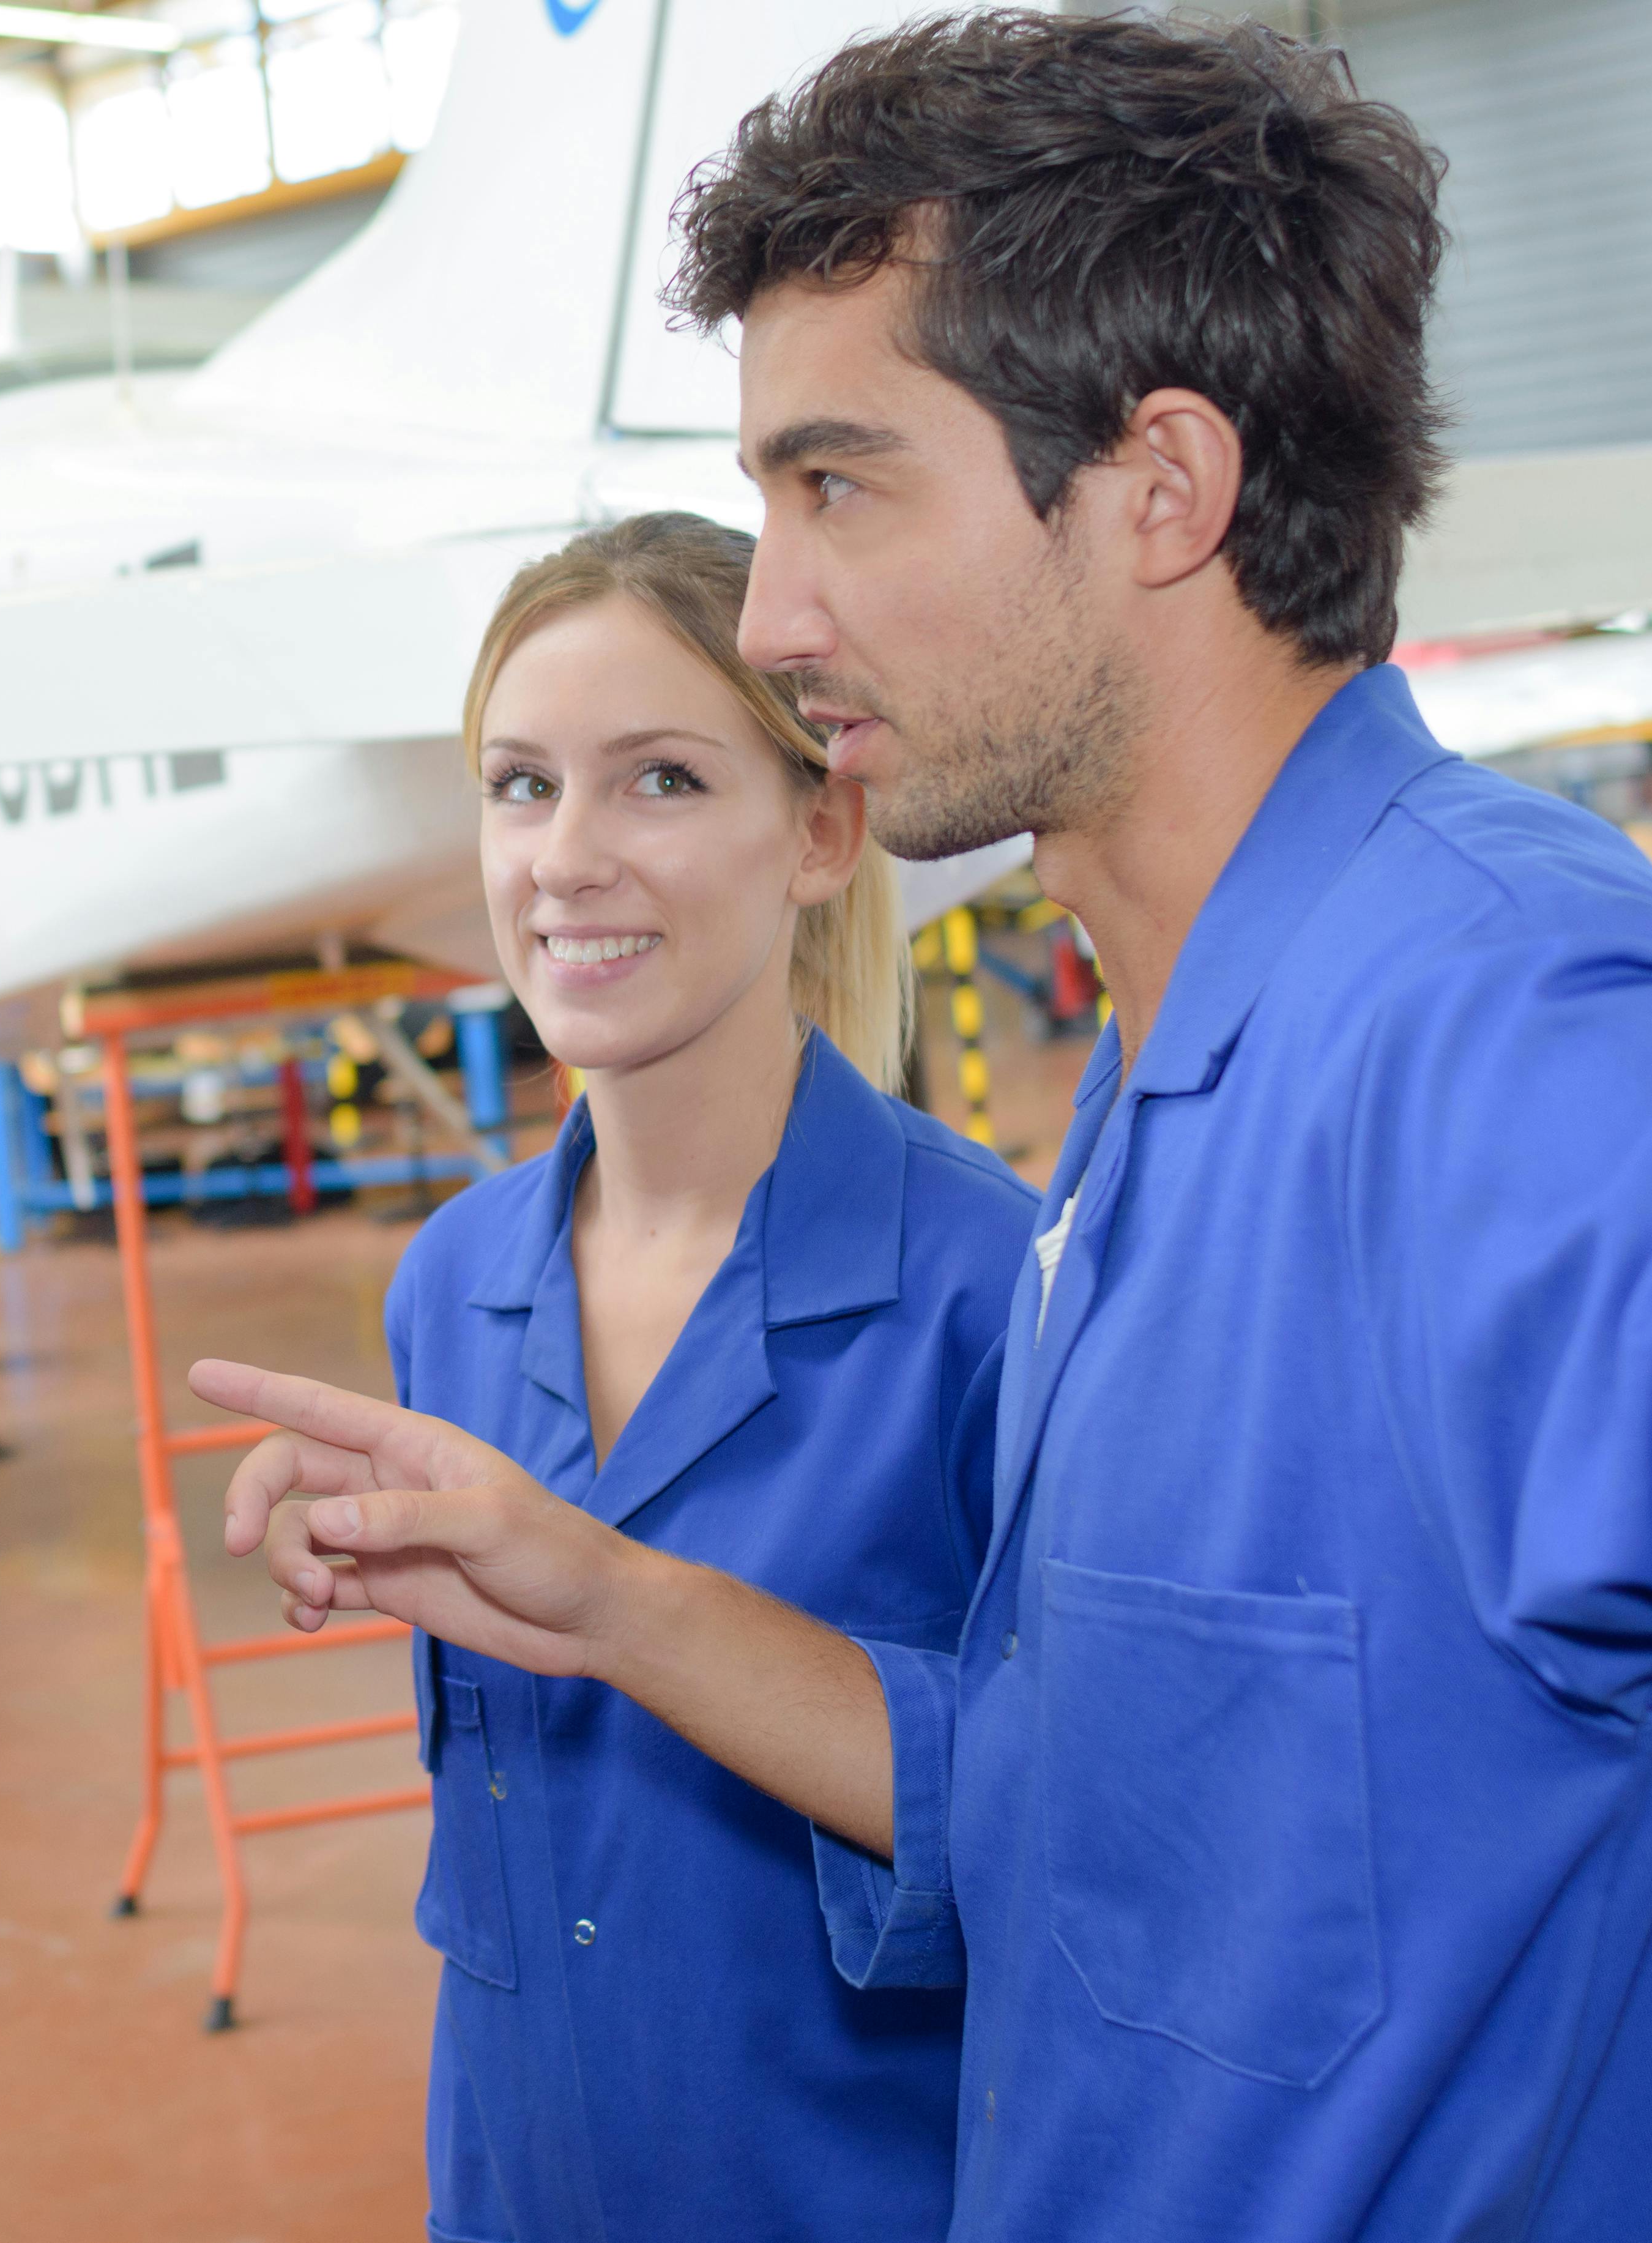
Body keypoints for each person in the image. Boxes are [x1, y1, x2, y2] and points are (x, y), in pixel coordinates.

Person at [198, 16, 1652, 2242]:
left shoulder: (1481, 1025)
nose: (779, 616)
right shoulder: (1153, 1099)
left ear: (1159, 489)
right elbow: (1061, 1808)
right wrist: (602, 1599)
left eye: (836, 488)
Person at [392, 512, 1033, 2242]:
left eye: (658, 781)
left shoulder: (993, 1294)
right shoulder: (446, 1295)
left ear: (820, 829)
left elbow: (1096, 1832)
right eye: (520, 785)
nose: (564, 858)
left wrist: (623, 1604)